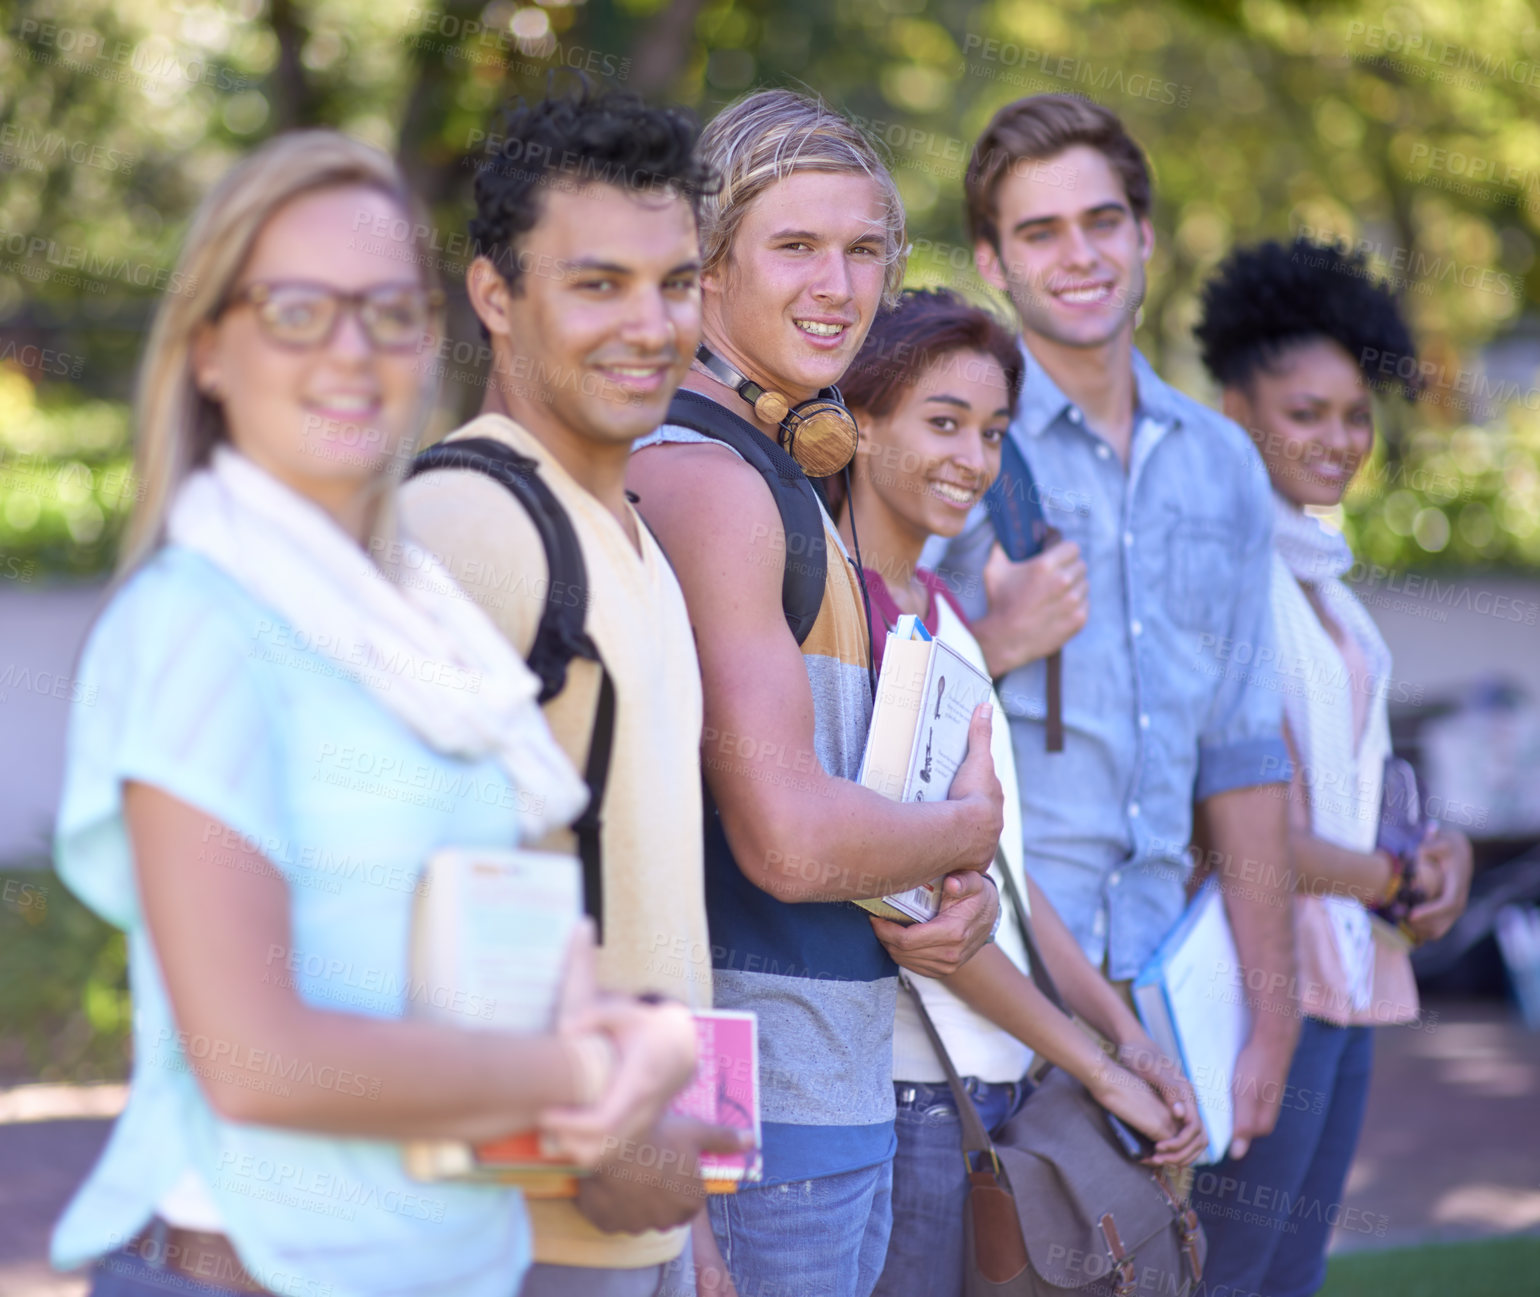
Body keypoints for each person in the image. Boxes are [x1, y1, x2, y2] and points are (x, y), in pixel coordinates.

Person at [50, 131, 698, 1297]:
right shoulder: (198, 622)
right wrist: (574, 1072)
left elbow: (472, 951)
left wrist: (635, 1050)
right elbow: (253, 1057)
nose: (353, 353)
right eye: (300, 310)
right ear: (208, 349)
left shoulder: (414, 627)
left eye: (389, 312)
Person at [626, 90, 1004, 1297]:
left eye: (863, 250)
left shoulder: (785, 469)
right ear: (707, 262)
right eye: (794, 246)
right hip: (760, 1116)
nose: (837, 284)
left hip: (828, 1085)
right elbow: (784, 842)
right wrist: (967, 829)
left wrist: (947, 884)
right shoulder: (710, 481)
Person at [397, 86, 748, 1297]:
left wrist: (684, 1217)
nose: (649, 324)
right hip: (510, 1229)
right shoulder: (465, 524)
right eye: (596, 284)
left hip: (636, 1212)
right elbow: (368, 907)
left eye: (675, 282)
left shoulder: (629, 535)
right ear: (495, 297)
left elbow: (636, 892)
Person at [925, 93, 1301, 1168]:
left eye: (1099, 222)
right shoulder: (960, 437)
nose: (1077, 255)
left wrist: (1269, 1012)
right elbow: (876, 710)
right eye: (1038, 232)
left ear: (1143, 235)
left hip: (1170, 978)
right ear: (995, 263)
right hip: (991, 978)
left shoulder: (1220, 460)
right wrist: (994, 637)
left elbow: (1243, 750)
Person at [831, 288, 1206, 1297]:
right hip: (921, 1095)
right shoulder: (854, 623)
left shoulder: (941, 607)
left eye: (991, 431)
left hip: (998, 1084)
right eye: (941, 422)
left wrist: (1125, 1033)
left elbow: (1007, 876)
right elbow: (929, 926)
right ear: (858, 424)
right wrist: (1096, 1067)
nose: (974, 457)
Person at [1188, 237, 1474, 1296]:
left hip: (1348, 974)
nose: (1338, 439)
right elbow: (1220, 822)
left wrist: (1431, 853)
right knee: (1230, 1274)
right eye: (1303, 413)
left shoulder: (1326, 585)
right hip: (1262, 977)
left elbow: (1358, 795)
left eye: (1353, 414)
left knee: (1288, 1278)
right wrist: (1387, 878)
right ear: (1231, 411)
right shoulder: (1223, 575)